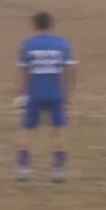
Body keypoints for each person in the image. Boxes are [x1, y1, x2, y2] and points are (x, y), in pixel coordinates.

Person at [15, 11, 77, 183]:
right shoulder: (62, 45)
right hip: (56, 93)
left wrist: (22, 94)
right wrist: (69, 93)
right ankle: (58, 171)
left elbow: (24, 73)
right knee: (59, 131)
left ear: (35, 26)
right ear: (51, 25)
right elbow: (70, 70)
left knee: (27, 131)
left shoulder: (27, 46)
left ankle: (24, 169)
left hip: (35, 93)